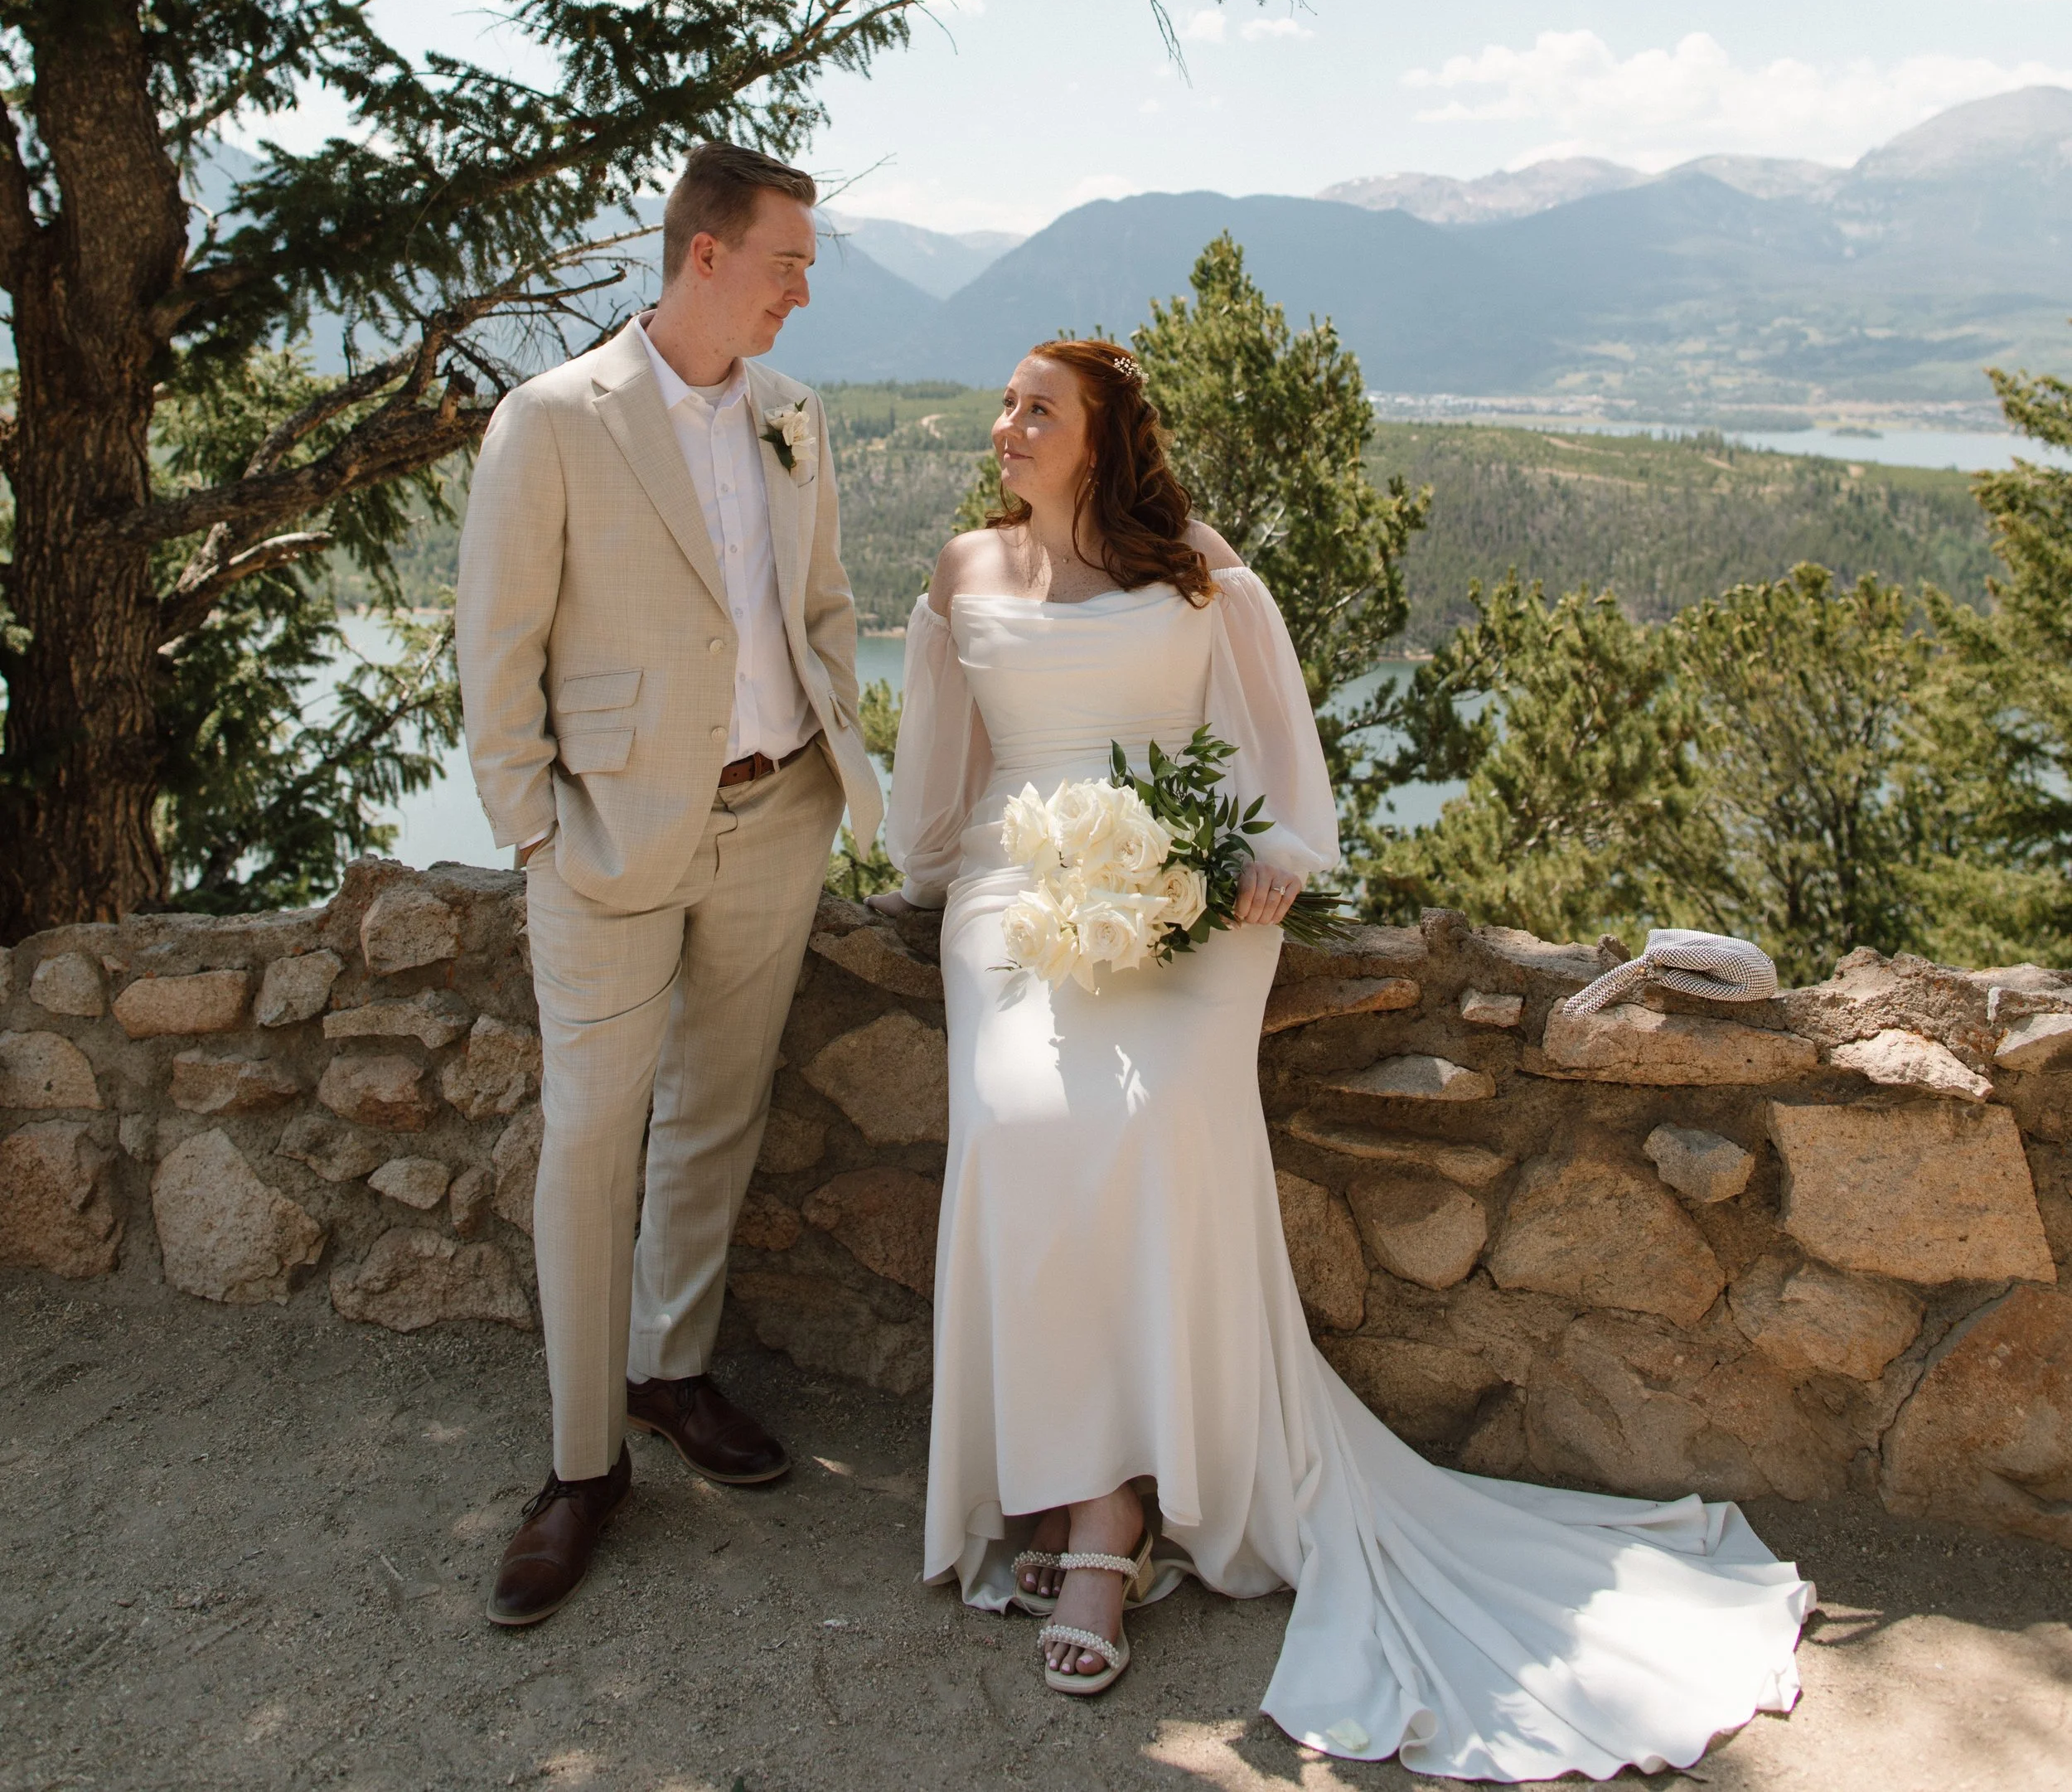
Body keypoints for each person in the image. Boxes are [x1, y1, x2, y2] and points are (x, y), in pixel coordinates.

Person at [884, 337, 1808, 1778]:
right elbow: (936, 788)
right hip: (1014, 897)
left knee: (1162, 1124)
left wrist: (1258, 857)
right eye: (1002, 403)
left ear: (1102, 436)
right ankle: (1068, 1486)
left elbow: (1268, 753)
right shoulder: (960, 572)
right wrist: (964, 880)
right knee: (1017, 1122)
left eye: (1035, 409)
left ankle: (1121, 1515)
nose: (1003, 424)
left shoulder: (1195, 564)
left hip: (1183, 892)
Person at [457, 141, 879, 1628]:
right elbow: (495, 652)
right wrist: (534, 833)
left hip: (778, 819)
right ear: (706, 254)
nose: (803, 291)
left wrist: (835, 754)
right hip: (606, 845)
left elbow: (820, 604)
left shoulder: (791, 416)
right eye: (788, 263)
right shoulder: (552, 422)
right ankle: (582, 1469)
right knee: (590, 1140)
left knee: (720, 1109)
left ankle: (671, 1370)